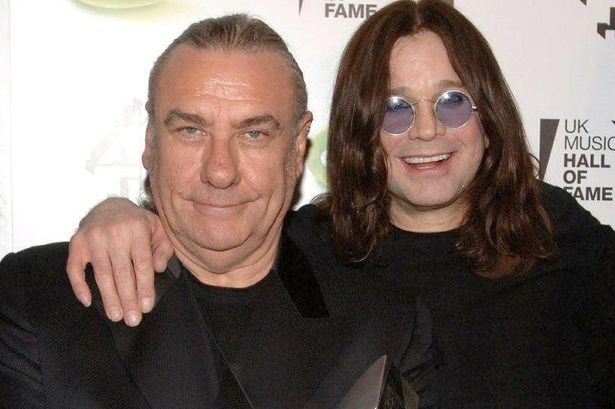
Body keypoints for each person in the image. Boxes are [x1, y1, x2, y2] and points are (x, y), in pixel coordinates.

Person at [64, 0, 615, 408]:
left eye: (452, 102)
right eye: (395, 108)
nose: (427, 130)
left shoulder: (563, 239)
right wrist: (118, 212)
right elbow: (203, 226)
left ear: (488, 116)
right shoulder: (306, 245)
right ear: (361, 126)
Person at [0, 14, 437, 409]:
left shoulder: (384, 326)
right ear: (151, 141)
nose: (220, 171)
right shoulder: (39, 300)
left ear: (297, 147)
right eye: (191, 130)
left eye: (253, 134)